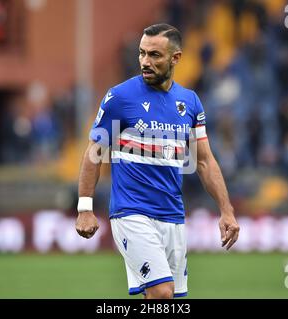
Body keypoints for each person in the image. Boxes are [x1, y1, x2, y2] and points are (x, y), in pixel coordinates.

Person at [75, 23, 239, 299]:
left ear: (176, 58)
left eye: (154, 55)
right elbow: (94, 152)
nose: (145, 62)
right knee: (162, 293)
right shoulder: (120, 97)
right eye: (142, 54)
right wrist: (84, 208)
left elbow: (204, 161)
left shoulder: (189, 102)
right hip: (132, 212)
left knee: (168, 299)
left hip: (173, 216)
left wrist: (226, 210)